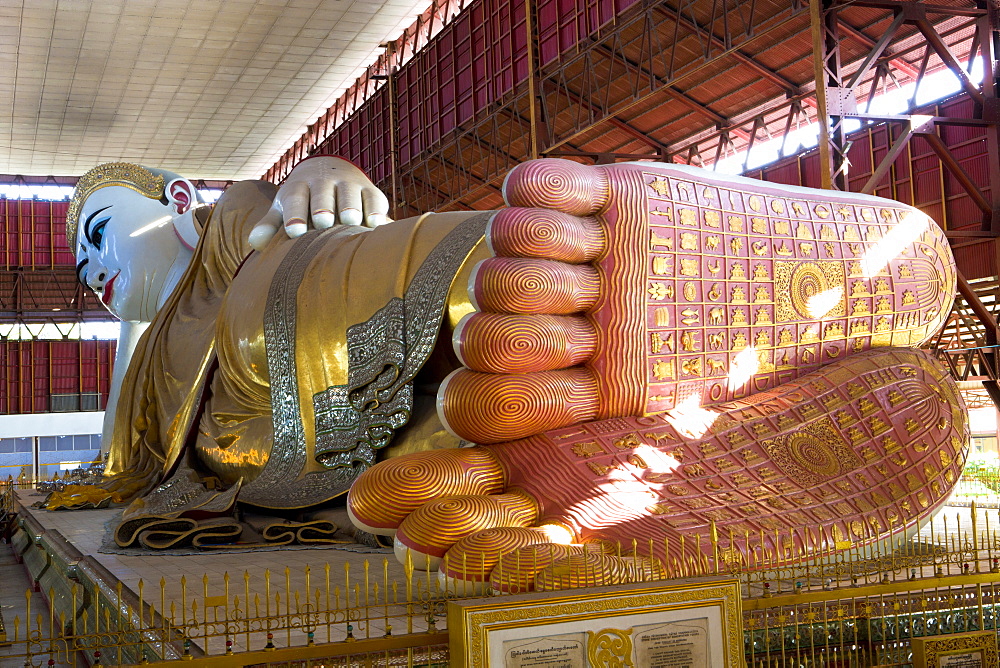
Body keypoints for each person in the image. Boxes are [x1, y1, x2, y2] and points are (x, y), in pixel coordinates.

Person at [60, 157, 965, 575]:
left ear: (179, 200)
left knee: (305, 297)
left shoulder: (220, 234)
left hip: (296, 313)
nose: (94, 273)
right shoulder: (151, 372)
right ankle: (596, 430)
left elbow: (272, 213)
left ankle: (597, 285)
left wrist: (319, 171)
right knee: (450, 444)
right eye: (82, 270)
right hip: (312, 456)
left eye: (98, 237)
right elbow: (125, 457)